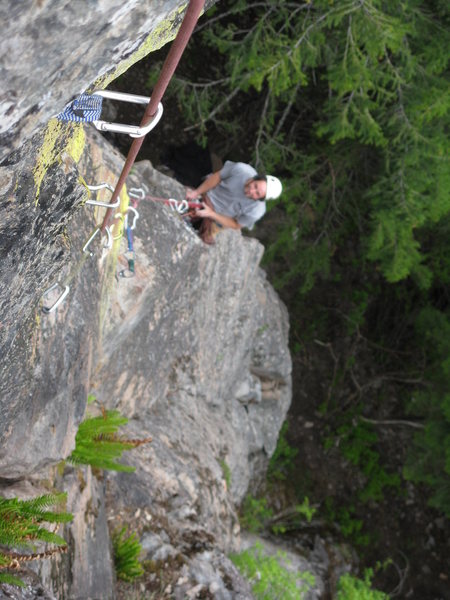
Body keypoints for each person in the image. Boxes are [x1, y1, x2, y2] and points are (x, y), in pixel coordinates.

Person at [185, 161, 282, 243]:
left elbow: (236, 225)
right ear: (256, 178)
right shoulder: (241, 170)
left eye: (257, 194)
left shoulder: (256, 211)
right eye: (255, 186)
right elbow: (218, 176)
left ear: (261, 199)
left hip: (220, 217)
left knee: (205, 238)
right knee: (188, 210)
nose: (252, 191)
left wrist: (211, 214)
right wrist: (196, 192)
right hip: (209, 196)